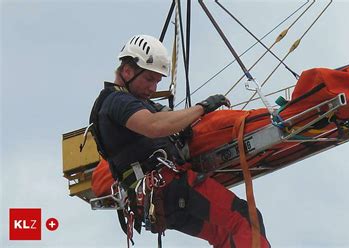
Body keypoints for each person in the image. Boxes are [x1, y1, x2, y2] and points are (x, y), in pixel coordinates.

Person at [89, 34, 271, 248]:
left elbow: (157, 125)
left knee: (224, 234)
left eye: (157, 81)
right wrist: (202, 107)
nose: (153, 89)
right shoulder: (118, 101)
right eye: (149, 79)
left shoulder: (131, 104)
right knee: (245, 219)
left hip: (162, 203)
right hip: (168, 186)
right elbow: (153, 126)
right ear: (127, 71)